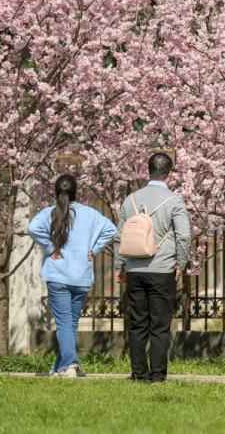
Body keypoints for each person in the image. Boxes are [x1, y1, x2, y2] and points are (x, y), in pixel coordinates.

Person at [28, 174, 117, 377]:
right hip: (82, 276)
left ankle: (69, 365)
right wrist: (93, 250)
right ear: (76, 192)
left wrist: (51, 248)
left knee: (64, 323)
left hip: (58, 275)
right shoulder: (90, 214)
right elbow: (111, 230)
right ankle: (61, 367)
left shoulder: (49, 212)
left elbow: (32, 228)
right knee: (70, 323)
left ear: (56, 192)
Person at [115, 152, 191, 383]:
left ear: (148, 170)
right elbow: (184, 236)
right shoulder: (174, 200)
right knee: (160, 324)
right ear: (169, 173)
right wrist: (181, 262)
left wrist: (120, 267)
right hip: (162, 268)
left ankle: (139, 373)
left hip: (135, 269)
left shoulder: (131, 200)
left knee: (137, 323)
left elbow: (120, 236)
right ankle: (157, 374)